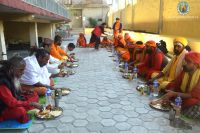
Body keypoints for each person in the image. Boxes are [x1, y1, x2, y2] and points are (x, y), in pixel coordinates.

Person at [151, 52, 200, 119]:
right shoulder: (185, 70)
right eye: (185, 60)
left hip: (194, 97)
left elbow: (193, 95)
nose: (184, 63)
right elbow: (176, 84)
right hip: (183, 93)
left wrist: (173, 94)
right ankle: (169, 102)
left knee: (192, 101)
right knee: (169, 86)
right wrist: (171, 92)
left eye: (188, 62)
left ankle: (176, 106)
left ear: (196, 65)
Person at [0, 56, 42, 123]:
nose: (23, 73)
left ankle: (27, 109)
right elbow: (11, 102)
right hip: (4, 108)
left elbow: (13, 91)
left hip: (14, 101)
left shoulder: (11, 74)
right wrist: (31, 103)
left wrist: (24, 92)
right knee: (20, 111)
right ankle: (24, 113)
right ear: (12, 69)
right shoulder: (2, 82)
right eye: (21, 70)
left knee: (34, 95)